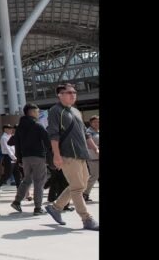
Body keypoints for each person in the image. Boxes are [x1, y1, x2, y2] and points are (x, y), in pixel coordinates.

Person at [44, 83, 100, 231]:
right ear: (60, 95)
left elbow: (85, 133)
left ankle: (56, 208)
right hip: (67, 154)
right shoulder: (55, 111)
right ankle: (86, 219)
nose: (73, 95)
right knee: (77, 188)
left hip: (81, 154)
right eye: (69, 92)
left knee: (81, 184)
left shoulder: (75, 111)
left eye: (74, 92)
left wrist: (95, 148)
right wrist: (57, 155)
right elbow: (53, 134)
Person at [9, 103, 51, 215]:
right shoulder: (38, 125)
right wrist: (52, 156)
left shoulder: (19, 127)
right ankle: (38, 208)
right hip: (38, 157)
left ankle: (17, 201)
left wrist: (19, 159)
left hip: (25, 158)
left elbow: (17, 144)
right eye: (37, 111)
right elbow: (47, 141)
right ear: (31, 112)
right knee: (39, 182)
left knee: (27, 180)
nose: (38, 113)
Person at [83, 115, 100, 202]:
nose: (97, 123)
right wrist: (96, 148)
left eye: (98, 122)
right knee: (94, 176)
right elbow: (89, 144)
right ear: (90, 123)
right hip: (93, 157)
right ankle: (85, 194)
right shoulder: (88, 132)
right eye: (95, 122)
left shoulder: (98, 131)